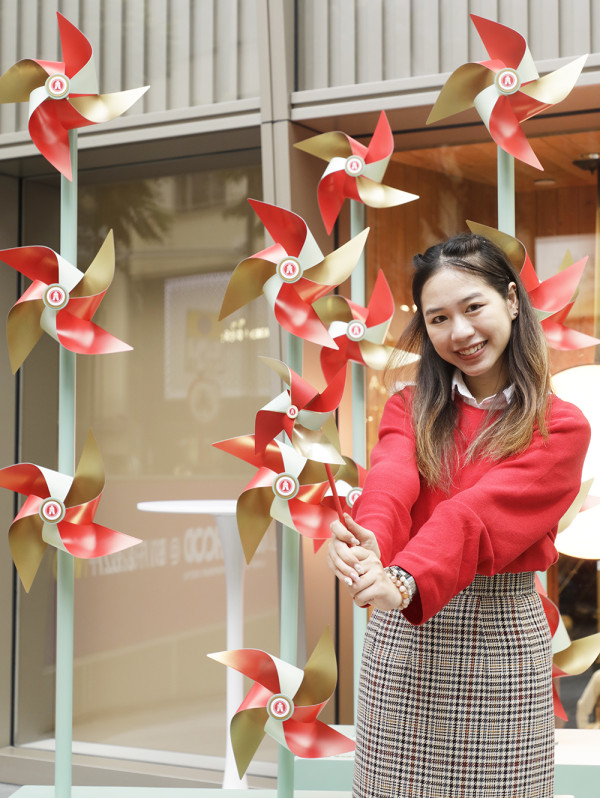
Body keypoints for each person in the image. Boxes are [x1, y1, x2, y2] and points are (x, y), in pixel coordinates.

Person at [327, 232, 591, 798]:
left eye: (474, 307)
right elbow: (392, 482)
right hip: (404, 637)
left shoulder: (560, 426)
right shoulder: (408, 406)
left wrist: (402, 577)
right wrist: (367, 540)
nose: (461, 332)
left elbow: (477, 514)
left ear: (512, 302)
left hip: (497, 639)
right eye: (439, 318)